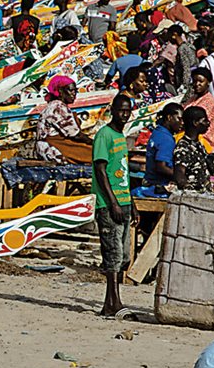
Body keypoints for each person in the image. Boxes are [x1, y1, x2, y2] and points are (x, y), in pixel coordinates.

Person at [93, 94, 135, 317]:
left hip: (124, 200)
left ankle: (111, 302)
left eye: (128, 111)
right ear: (113, 110)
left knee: (124, 255)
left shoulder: (121, 136)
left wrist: (131, 204)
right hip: (109, 204)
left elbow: (123, 173)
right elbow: (101, 170)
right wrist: (113, 203)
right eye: (121, 110)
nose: (124, 115)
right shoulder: (104, 135)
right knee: (113, 254)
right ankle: (113, 301)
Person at [35, 74, 91, 164]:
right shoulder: (58, 107)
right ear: (60, 91)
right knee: (95, 153)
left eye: (75, 91)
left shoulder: (55, 105)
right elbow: (75, 135)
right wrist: (93, 142)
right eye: (71, 90)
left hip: (52, 145)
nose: (74, 94)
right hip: (52, 148)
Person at [141, 102, 182, 194]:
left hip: (150, 180)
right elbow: (161, 167)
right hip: (159, 184)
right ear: (169, 117)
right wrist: (180, 177)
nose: (182, 123)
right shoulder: (166, 139)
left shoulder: (157, 132)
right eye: (179, 119)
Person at [184, 67, 214, 155]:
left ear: (208, 83)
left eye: (201, 81)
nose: (197, 84)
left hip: (209, 143)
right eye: (194, 81)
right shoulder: (192, 99)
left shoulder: (208, 102)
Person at [175, 104, 214, 191]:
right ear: (195, 123)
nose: (208, 123)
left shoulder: (198, 145)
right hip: (194, 199)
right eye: (205, 120)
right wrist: (188, 189)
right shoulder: (184, 147)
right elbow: (179, 172)